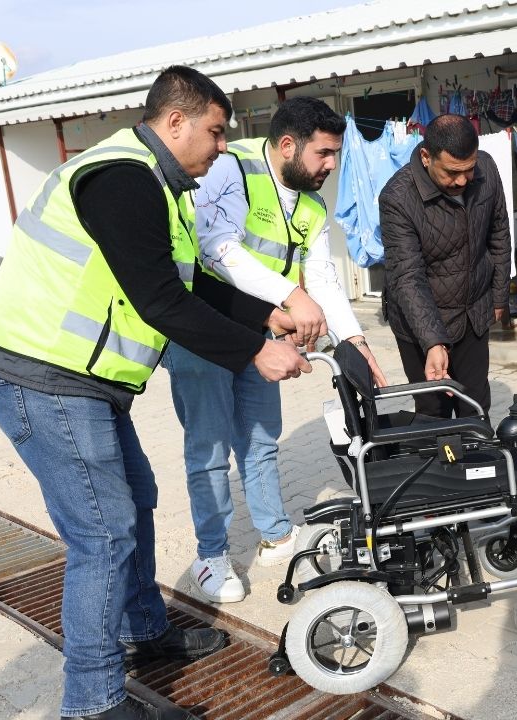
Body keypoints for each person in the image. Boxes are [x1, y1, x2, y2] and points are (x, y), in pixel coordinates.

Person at [0, 66, 309, 720]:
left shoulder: (162, 188)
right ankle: (92, 704)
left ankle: (144, 630)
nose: (220, 148)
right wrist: (256, 350)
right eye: (213, 133)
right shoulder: (122, 179)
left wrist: (267, 314)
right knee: (103, 534)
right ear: (174, 121)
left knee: (136, 499)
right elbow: (159, 304)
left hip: (81, 381)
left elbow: (187, 287)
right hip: (38, 372)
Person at [170, 97, 389, 604]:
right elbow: (216, 248)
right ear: (288, 145)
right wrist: (290, 298)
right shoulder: (231, 169)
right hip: (206, 328)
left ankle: (275, 535)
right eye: (324, 154)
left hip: (263, 337)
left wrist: (355, 340)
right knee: (207, 449)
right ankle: (212, 555)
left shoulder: (312, 203)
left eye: (335, 155)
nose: (331, 165)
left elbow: (323, 276)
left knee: (262, 438)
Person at [380, 113, 511, 418]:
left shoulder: (487, 169)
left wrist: (499, 295)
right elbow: (407, 277)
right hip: (419, 321)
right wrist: (433, 341)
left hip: (473, 312)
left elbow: (499, 232)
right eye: (452, 173)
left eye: (469, 170)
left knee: (475, 404)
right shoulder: (397, 198)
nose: (463, 180)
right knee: (433, 411)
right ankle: (440, 464)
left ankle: (478, 464)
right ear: (426, 157)